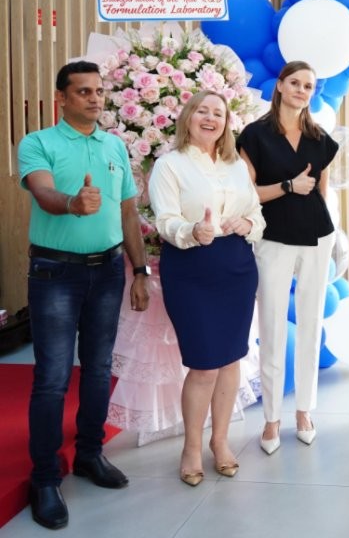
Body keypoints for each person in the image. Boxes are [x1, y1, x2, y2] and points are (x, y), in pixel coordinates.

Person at [18, 60, 150, 530]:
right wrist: (73, 203)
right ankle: (45, 478)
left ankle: (90, 454)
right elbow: (44, 194)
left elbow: (128, 213)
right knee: (53, 378)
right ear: (62, 98)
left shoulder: (114, 145)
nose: (95, 99)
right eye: (84, 91)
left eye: (99, 91)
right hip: (55, 273)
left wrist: (139, 270)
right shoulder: (38, 143)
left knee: (97, 369)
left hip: (108, 271)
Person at [149, 90, 265, 487]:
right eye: (203, 110)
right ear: (188, 116)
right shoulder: (170, 165)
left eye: (219, 113)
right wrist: (191, 230)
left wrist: (248, 224)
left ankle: (220, 441)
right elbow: (164, 220)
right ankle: (192, 448)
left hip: (237, 268)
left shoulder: (236, 165)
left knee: (231, 360)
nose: (211, 118)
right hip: (191, 268)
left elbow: (256, 213)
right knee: (203, 365)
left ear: (226, 123)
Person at [237, 61, 339, 453]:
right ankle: (271, 419)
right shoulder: (254, 135)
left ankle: (304, 411)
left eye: (308, 86)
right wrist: (288, 186)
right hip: (273, 238)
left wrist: (315, 217)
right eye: (294, 82)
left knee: (311, 324)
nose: (301, 90)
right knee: (272, 326)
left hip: (316, 237)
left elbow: (322, 193)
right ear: (280, 86)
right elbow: (248, 194)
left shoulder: (319, 137)